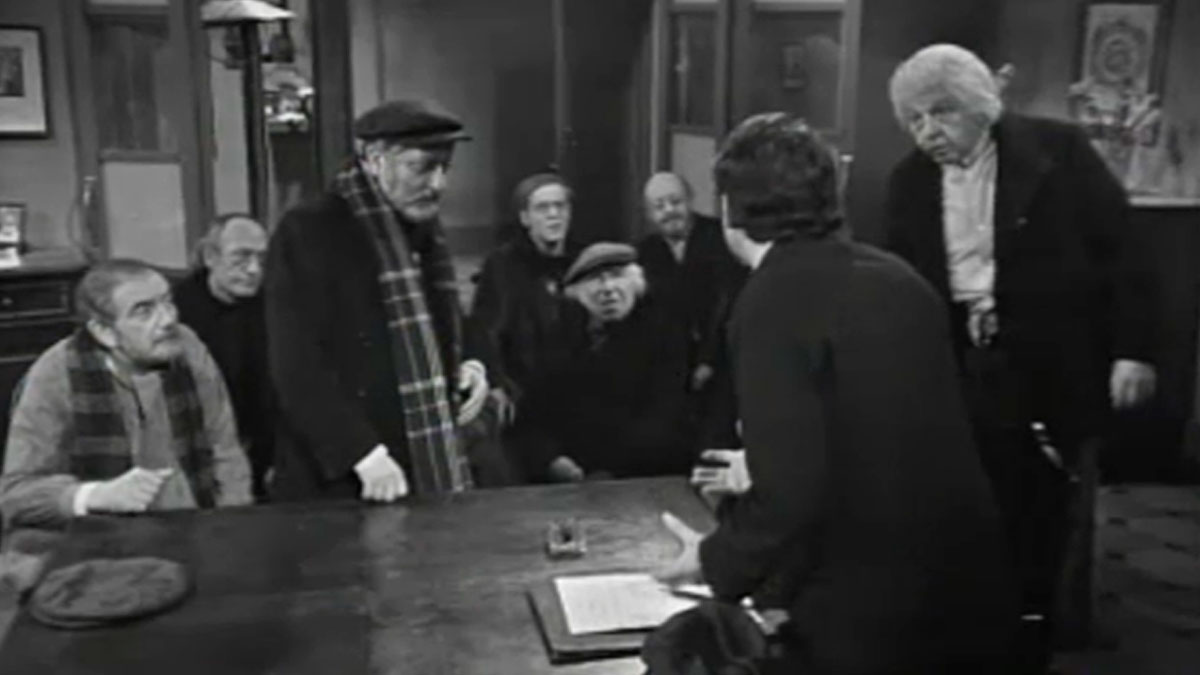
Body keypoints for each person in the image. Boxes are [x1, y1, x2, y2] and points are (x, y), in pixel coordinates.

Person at [656, 112, 1017, 674]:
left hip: (870, 615)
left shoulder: (771, 299)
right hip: (970, 589)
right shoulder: (900, 278)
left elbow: (791, 496)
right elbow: (893, 434)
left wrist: (712, 559)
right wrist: (761, 464)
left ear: (730, 209)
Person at [884, 44, 1157, 668]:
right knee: (970, 500)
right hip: (959, 360)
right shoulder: (908, 182)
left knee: (1051, 504)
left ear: (980, 104)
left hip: (1052, 354)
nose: (929, 132)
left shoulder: (1059, 153)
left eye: (942, 113)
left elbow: (1128, 255)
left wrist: (1134, 351)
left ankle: (1050, 630)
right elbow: (899, 286)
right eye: (915, 119)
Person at [265, 99, 489, 503]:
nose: (438, 184)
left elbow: (450, 323)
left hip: (420, 461)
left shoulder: (423, 229)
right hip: (341, 476)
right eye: (421, 167)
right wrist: (362, 454)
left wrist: (470, 365)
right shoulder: (309, 231)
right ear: (373, 160)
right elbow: (295, 364)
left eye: (445, 168)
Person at [0, 260, 252, 531]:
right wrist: (96, 495)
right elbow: (16, 494)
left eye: (168, 302)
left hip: (194, 528)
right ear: (104, 332)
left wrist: (232, 524)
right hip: (96, 542)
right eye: (144, 311)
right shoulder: (55, 374)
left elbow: (225, 451)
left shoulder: (187, 348)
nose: (169, 319)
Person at [519, 243, 696, 482]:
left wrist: (609, 471)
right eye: (595, 280)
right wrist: (551, 460)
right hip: (571, 483)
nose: (608, 289)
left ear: (635, 283)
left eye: (616, 276)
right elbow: (532, 417)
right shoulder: (559, 341)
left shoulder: (665, 336)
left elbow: (665, 417)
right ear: (578, 292)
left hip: (647, 477)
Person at [465, 172, 583, 482]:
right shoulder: (502, 265)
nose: (554, 214)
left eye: (560, 206)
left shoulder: (582, 259)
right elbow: (483, 329)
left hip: (577, 385)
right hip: (524, 388)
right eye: (543, 208)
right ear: (525, 218)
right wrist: (495, 383)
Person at [173, 213, 275, 500]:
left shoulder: (278, 306)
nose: (254, 269)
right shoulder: (176, 312)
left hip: (265, 450)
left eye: (262, 259)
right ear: (210, 257)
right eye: (241, 258)